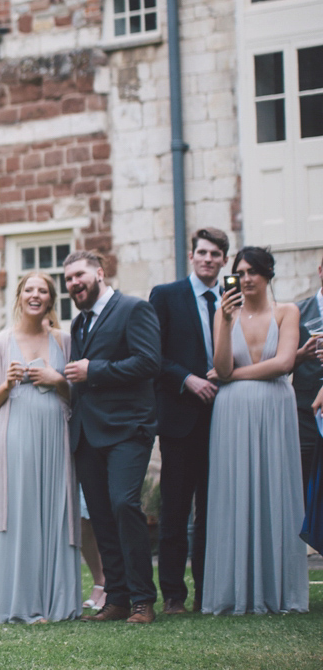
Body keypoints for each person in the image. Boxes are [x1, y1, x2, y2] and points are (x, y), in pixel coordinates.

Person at [202, 247, 308, 615]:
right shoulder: (223, 313)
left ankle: (277, 588)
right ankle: (237, 589)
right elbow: (220, 364)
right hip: (232, 414)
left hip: (276, 409)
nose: (245, 279)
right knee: (235, 491)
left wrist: (232, 377)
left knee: (274, 489)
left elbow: (283, 363)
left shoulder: (287, 311)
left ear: (267, 275)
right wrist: (227, 323)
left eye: (252, 272)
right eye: (239, 272)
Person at [0, 272, 81, 624]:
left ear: (51, 300)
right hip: (14, 437)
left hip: (55, 437)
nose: (35, 295)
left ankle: (57, 604)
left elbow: (81, 394)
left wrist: (58, 380)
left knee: (54, 511)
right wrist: (7, 384)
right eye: (29, 290)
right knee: (19, 513)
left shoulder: (65, 341)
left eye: (43, 291)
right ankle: (16, 604)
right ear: (19, 296)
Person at [62, 250, 161, 624]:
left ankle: (142, 599)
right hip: (87, 434)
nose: (73, 283)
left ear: (100, 273)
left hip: (127, 430)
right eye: (69, 278)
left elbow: (149, 362)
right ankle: (116, 598)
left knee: (124, 505)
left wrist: (95, 369)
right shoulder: (78, 324)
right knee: (101, 517)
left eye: (79, 275)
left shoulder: (133, 309)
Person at [149, 227, 228, 614]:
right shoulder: (166, 296)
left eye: (216, 254)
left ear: (224, 260)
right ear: (192, 256)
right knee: (176, 511)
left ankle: (207, 592)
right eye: (203, 252)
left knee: (213, 509)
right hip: (180, 419)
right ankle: (175, 598)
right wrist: (187, 378)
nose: (208, 259)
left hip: (225, 418)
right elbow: (153, 355)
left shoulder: (233, 298)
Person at [292, 253, 323, 497]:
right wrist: (301, 354)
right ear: (320, 270)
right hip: (306, 417)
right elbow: (279, 363)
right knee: (306, 491)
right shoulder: (297, 313)